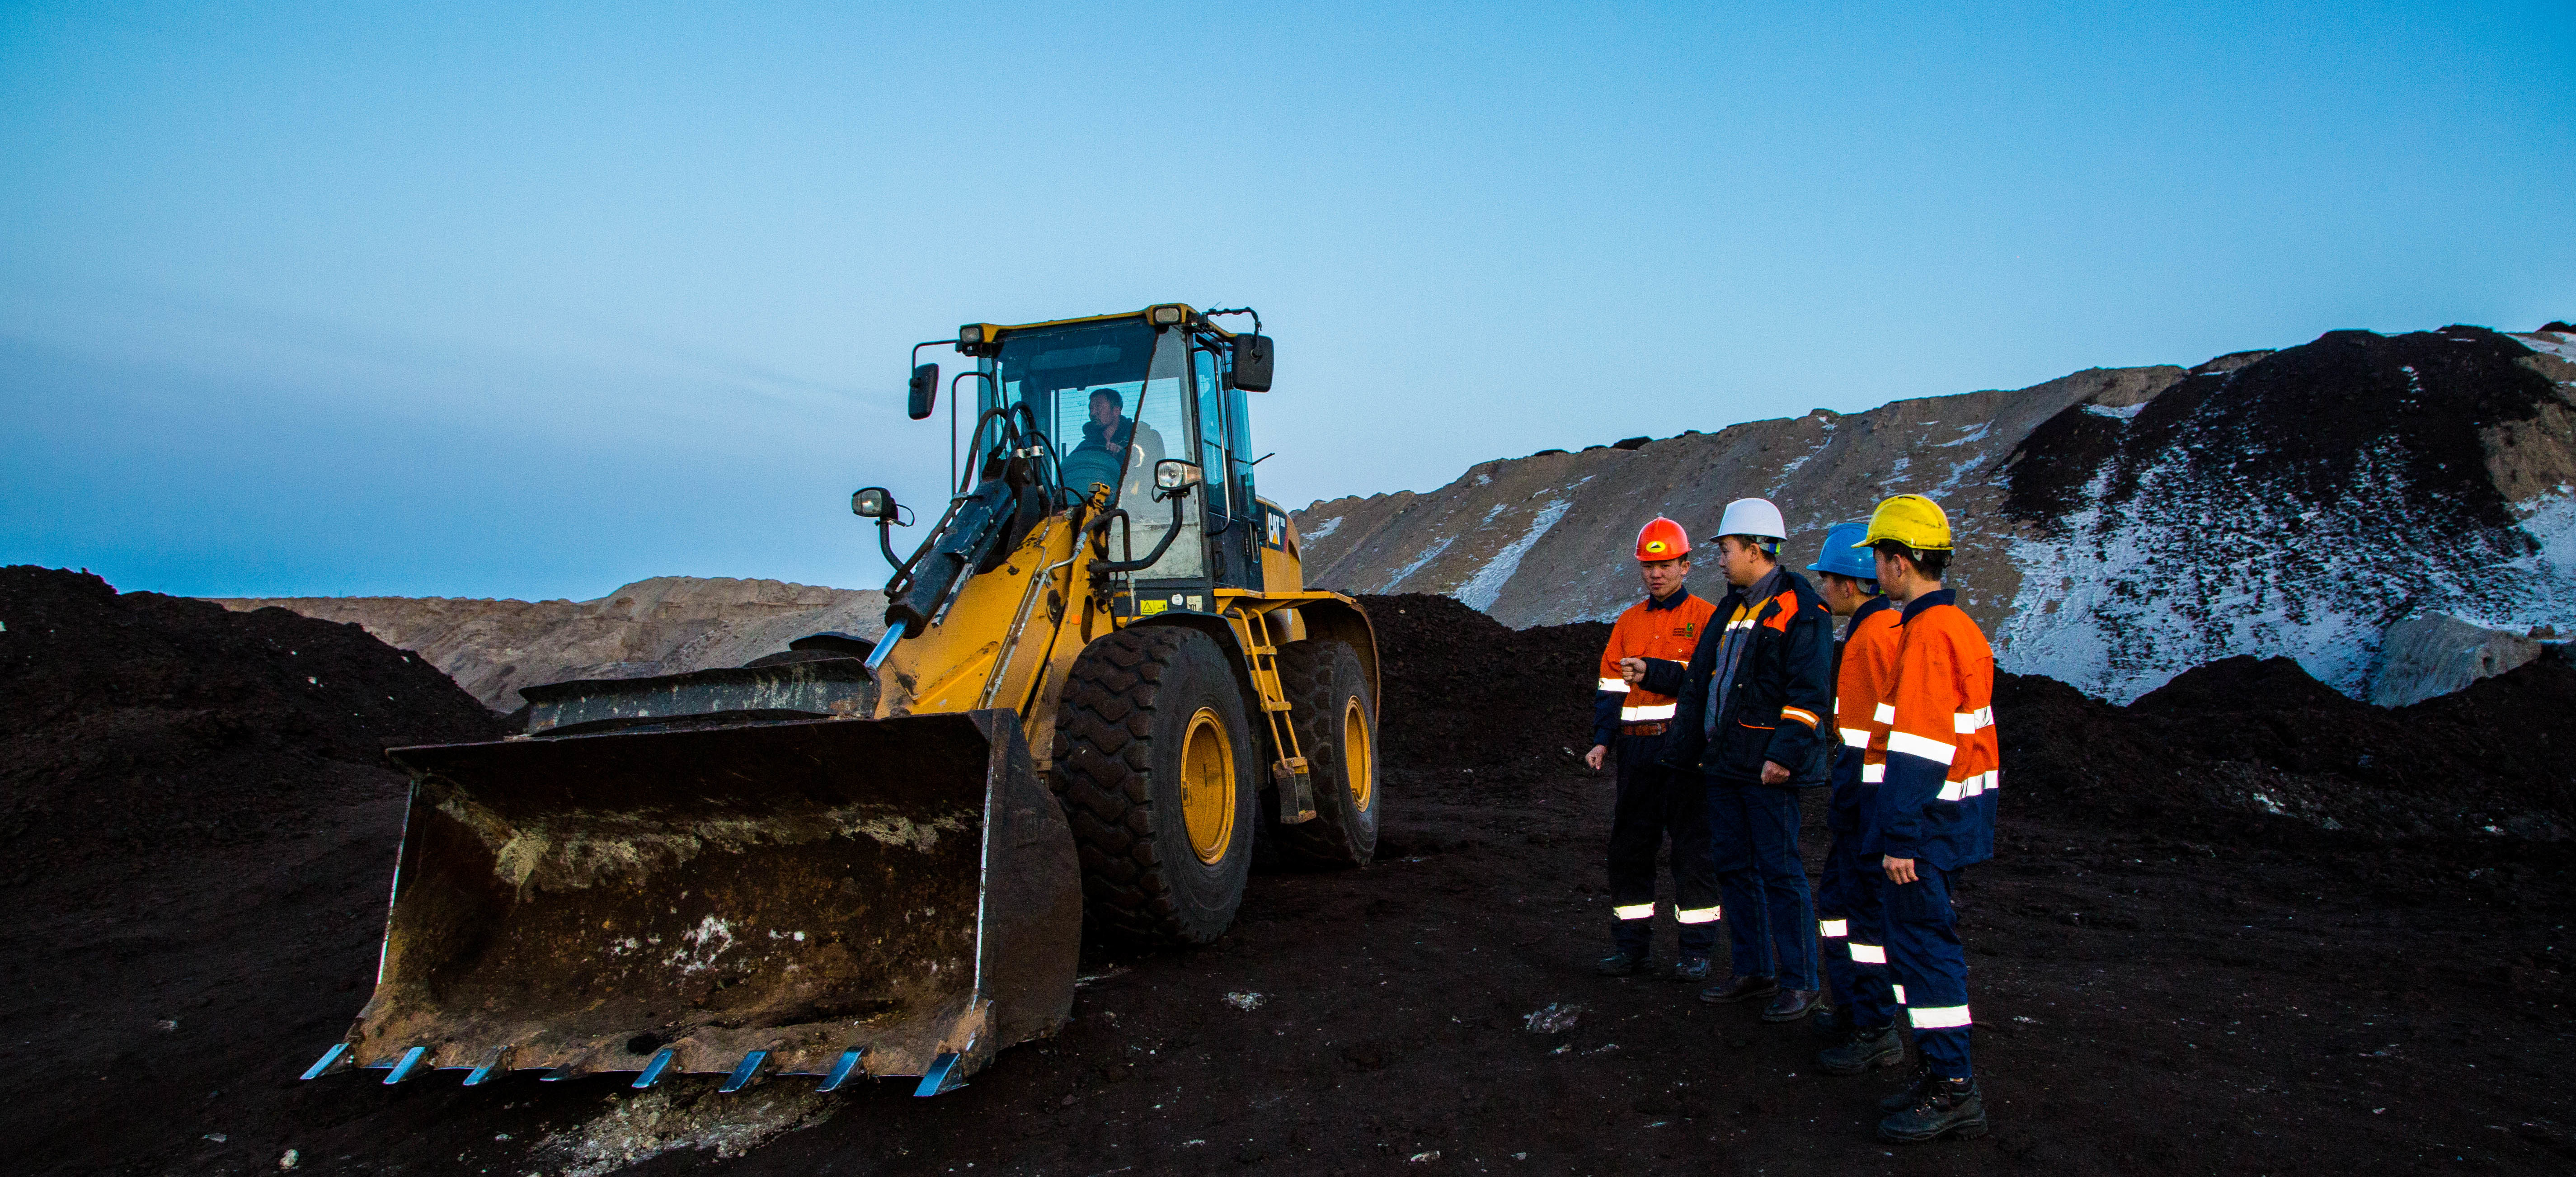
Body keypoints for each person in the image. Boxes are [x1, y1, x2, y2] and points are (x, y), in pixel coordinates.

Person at [1635, 498, 1834, 1024]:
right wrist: (1658, 686)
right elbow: (1703, 682)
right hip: (1723, 765)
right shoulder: (1732, 608)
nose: (1720, 561)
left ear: (1754, 549)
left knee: (1780, 871)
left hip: (1765, 769)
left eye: (1725, 550)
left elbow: (1810, 692)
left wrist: (1784, 756)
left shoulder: (1801, 609)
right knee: (1736, 870)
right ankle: (1753, 970)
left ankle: (1800, 981)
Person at [1852, 494, 2000, 1144]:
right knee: (1921, 948)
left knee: (1925, 950)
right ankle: (1940, 1073)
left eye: (1880, 557)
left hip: (1930, 828)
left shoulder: (1931, 634)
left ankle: (1953, 1088)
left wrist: (1901, 837)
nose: (1876, 570)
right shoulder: (1951, 627)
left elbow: (1921, 747)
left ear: (1901, 561)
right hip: (1952, 821)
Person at [1586, 518, 1723, 980]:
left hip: (1684, 753)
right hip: (1637, 753)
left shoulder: (1707, 618)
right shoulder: (1627, 622)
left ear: (1685, 565)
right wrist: (1602, 741)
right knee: (1630, 849)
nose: (1655, 574)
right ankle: (1632, 948)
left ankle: (1697, 952)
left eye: (1664, 565)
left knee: (1692, 850)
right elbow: (1609, 688)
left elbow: (1708, 684)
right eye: (1648, 566)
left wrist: (1656, 673)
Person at [1805, 521, 1906, 1079]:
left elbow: (1875, 735)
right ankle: (1855, 1009)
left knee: (1860, 914)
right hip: (1866, 788)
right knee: (1843, 908)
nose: (1822, 586)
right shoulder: (1885, 628)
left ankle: (1874, 1026)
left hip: (1868, 791)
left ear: (1852, 583)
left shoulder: (1872, 638)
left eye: (1828, 577)